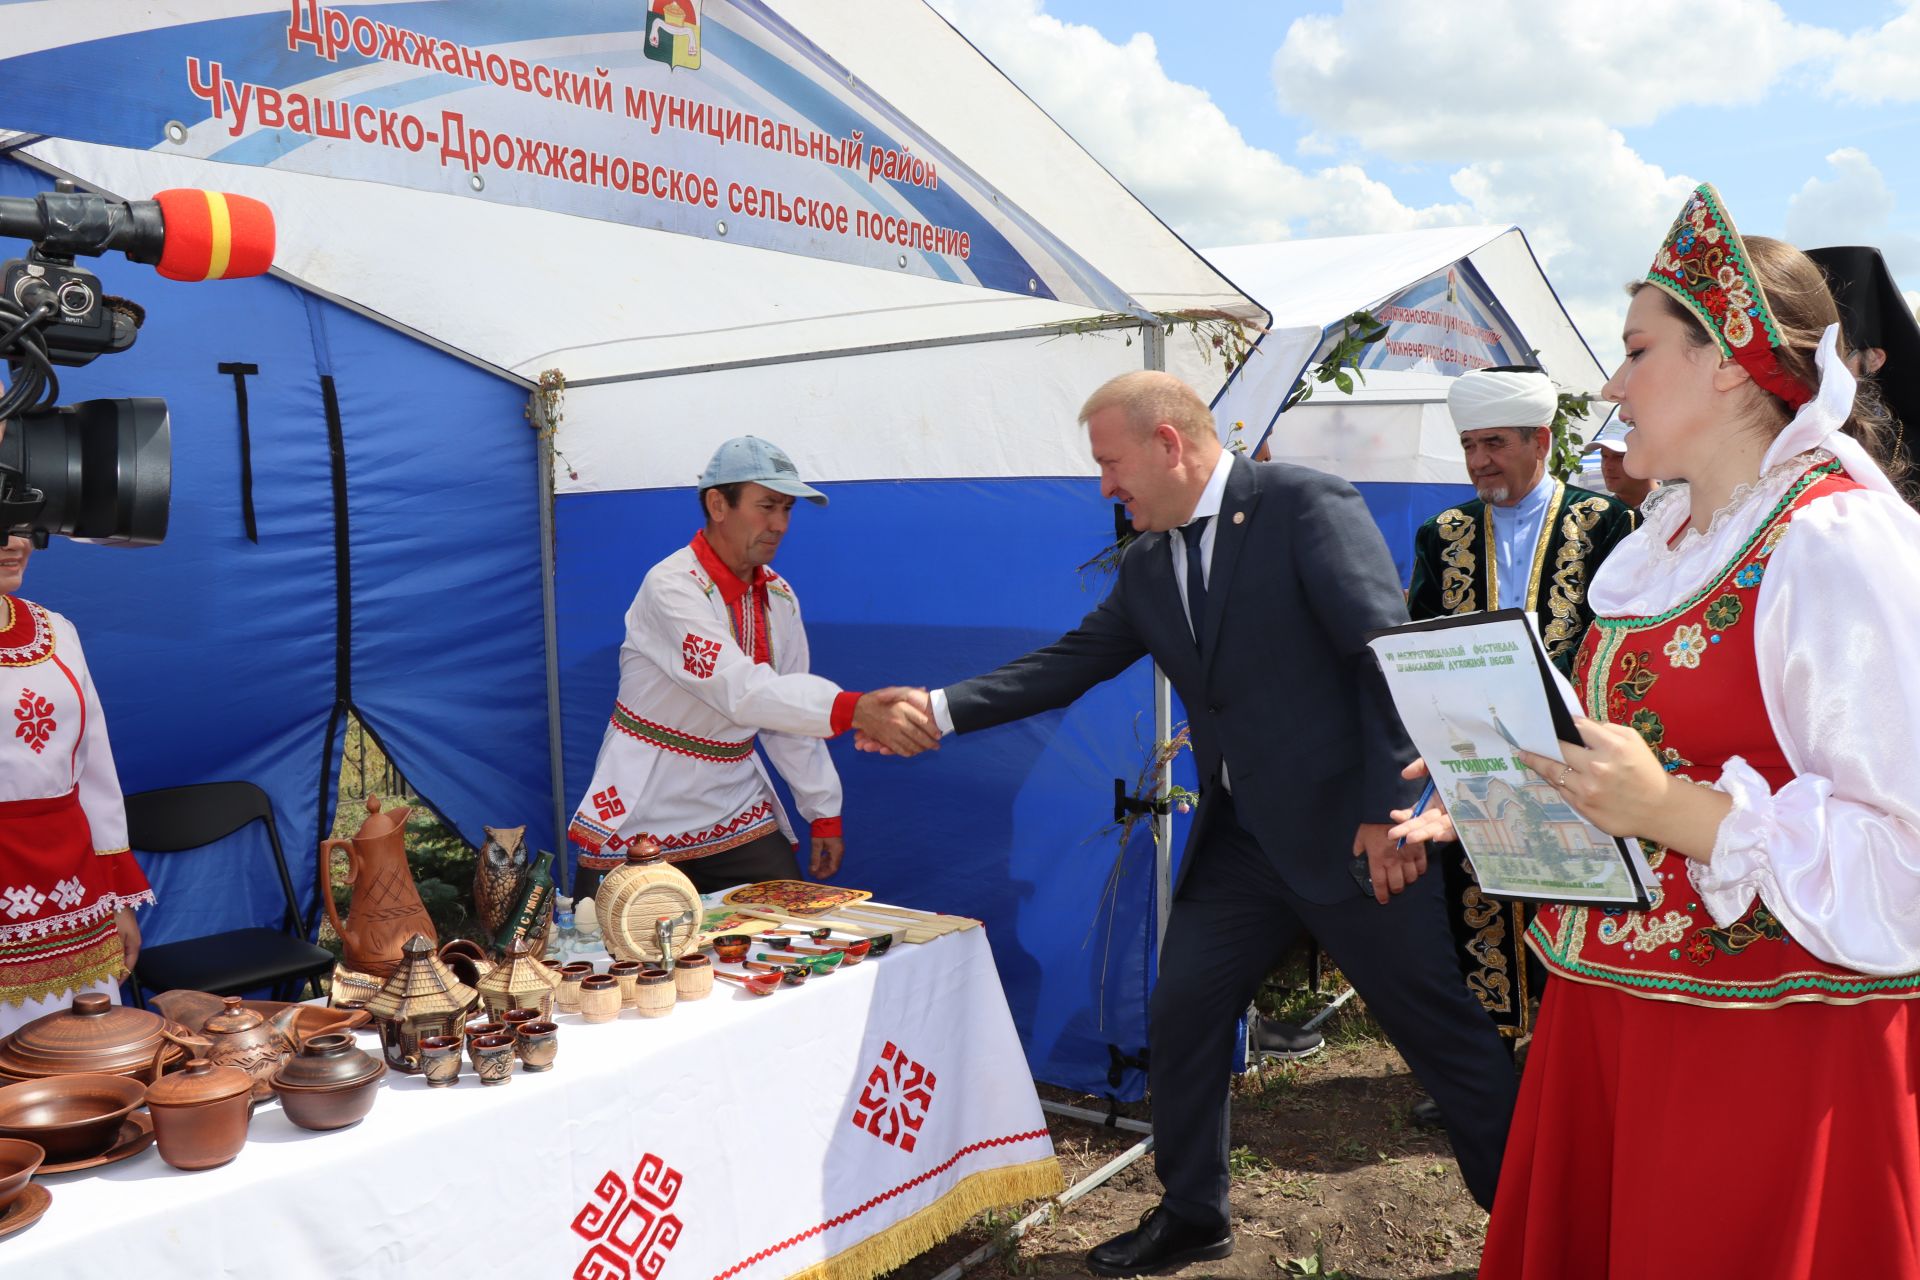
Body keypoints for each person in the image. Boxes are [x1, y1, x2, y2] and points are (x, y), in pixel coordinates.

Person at [864, 372, 1516, 1277]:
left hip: (1354, 837)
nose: (1103, 487)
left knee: (1443, 1040)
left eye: (1110, 463)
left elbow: (1384, 654)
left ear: (1169, 443)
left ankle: (1537, 1224)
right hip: (1245, 846)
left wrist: (1388, 810)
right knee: (1184, 1015)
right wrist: (937, 710)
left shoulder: (1299, 504)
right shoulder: (1147, 562)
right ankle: (1194, 1213)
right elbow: (1069, 664)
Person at [1394, 184, 1920, 1277]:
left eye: (1636, 350)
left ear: (1728, 361)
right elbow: (1646, 750)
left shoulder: (1836, 543)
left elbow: (1906, 857)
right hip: (1618, 1015)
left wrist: (1672, 810)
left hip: (1768, 1041)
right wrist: (1512, 775)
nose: (1610, 381)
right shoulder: (1670, 539)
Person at [567, 435, 937, 896]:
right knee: (613, 956)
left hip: (734, 805)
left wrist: (822, 810)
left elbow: (788, 709)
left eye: (786, 509)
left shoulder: (779, 597)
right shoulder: (670, 587)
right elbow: (740, 691)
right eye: (767, 506)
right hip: (645, 803)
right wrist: (856, 708)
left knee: (792, 933)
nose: (779, 524)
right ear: (718, 504)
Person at [1405, 368, 1636, 1049]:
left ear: (1540, 441)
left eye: (1495, 443)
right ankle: (1486, 1056)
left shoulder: (1605, 523)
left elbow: (1619, 637)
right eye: (1470, 445)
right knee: (1476, 902)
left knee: (1568, 897)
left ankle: (1565, 1053)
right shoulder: (1442, 532)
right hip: (1473, 752)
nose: (1479, 461)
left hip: (1572, 751)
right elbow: (1423, 636)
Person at [0, 526, 153, 1037]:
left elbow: (95, 766)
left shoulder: (56, 630)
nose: (13, 542)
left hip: (75, 887)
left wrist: (118, 899)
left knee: (88, 1046)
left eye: (20, 527)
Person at [1806, 244, 1920, 505]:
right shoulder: (1774, 443)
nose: (1816, 370)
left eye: (1833, 356)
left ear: (1874, 359)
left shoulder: (1913, 446)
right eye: (1805, 356)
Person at [1580, 435, 1656, 510]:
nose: (1607, 466)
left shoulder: (1666, 511)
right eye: (1604, 456)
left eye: (1619, 456)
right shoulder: (1600, 514)